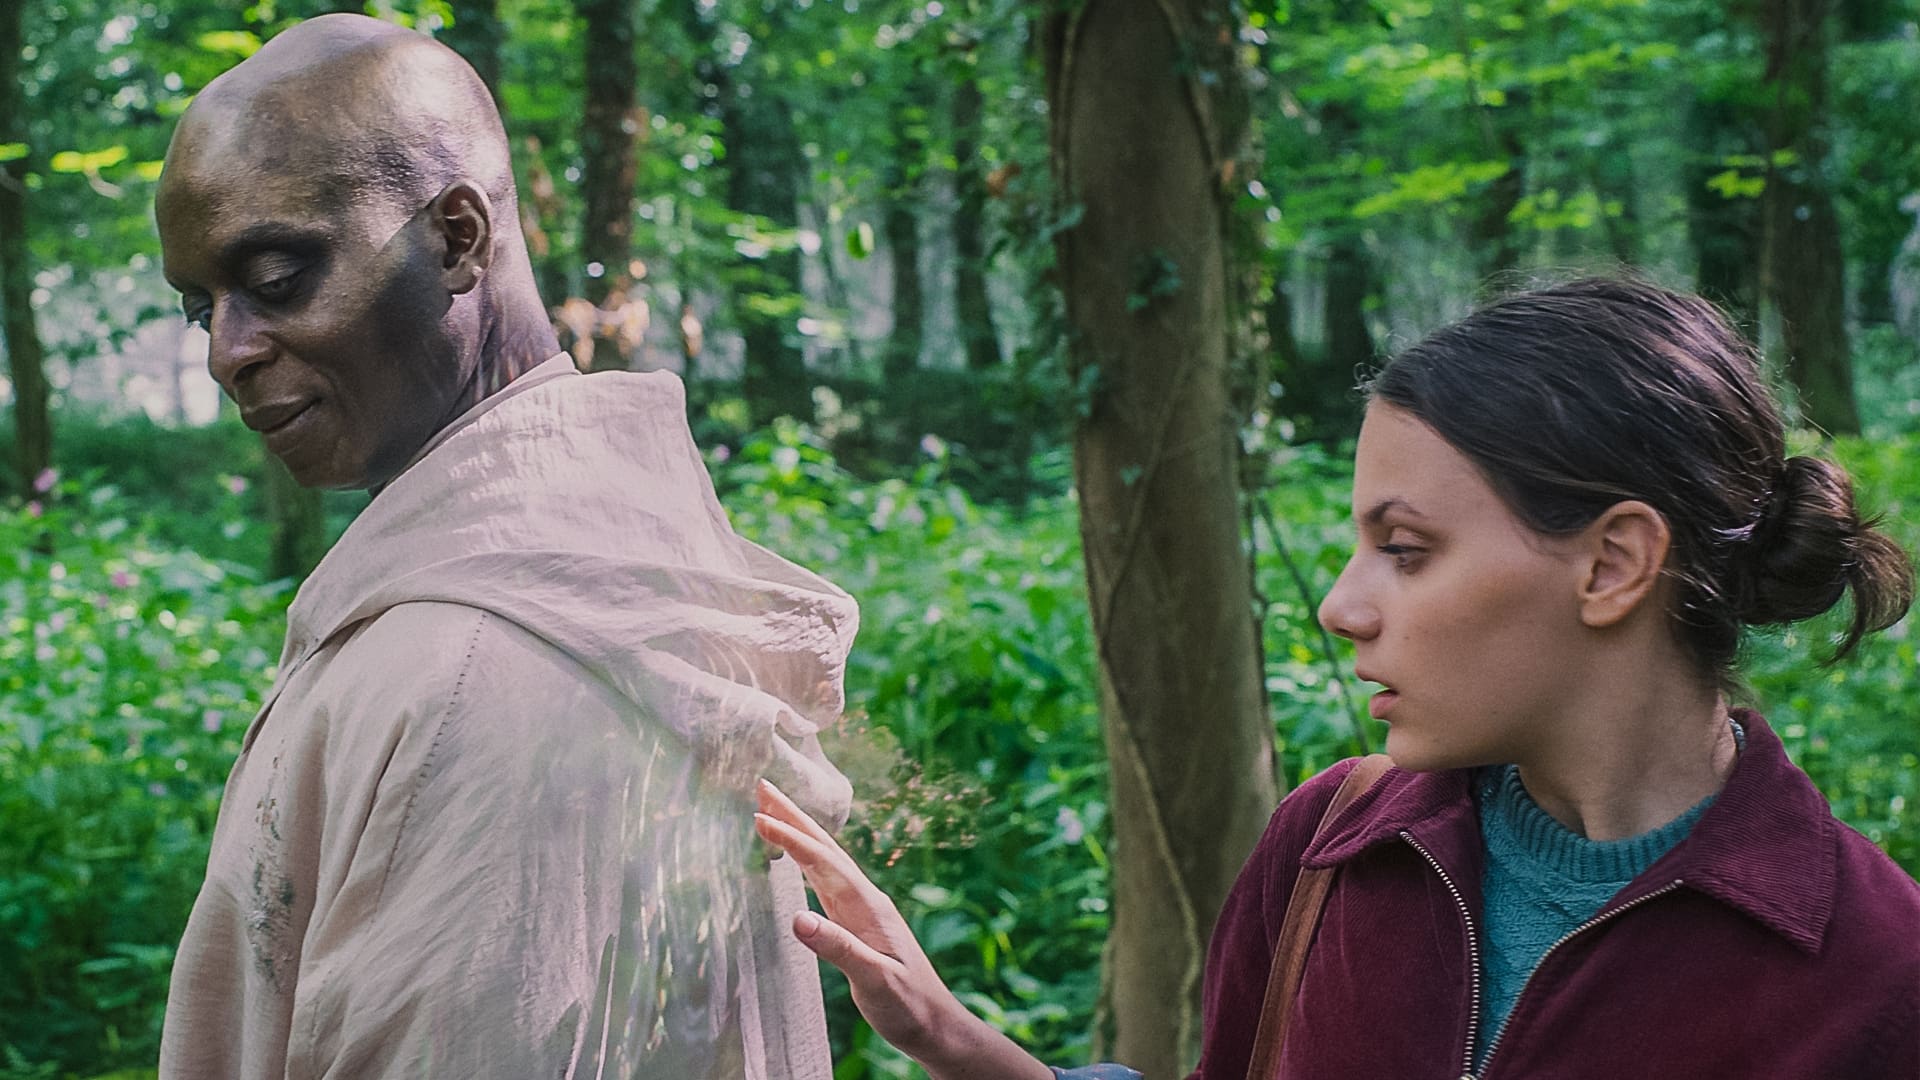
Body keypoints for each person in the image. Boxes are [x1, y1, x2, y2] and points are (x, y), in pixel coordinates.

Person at [755, 277, 1920, 1079]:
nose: (1341, 605)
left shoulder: (1878, 975)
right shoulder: (1331, 844)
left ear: (1613, 563)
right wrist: (963, 1047)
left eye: (1405, 549)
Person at [153, 15, 856, 1079]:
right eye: (200, 308)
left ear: (457, 237)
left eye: (279, 276)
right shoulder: (608, 563)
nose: (227, 351)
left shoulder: (469, 676)